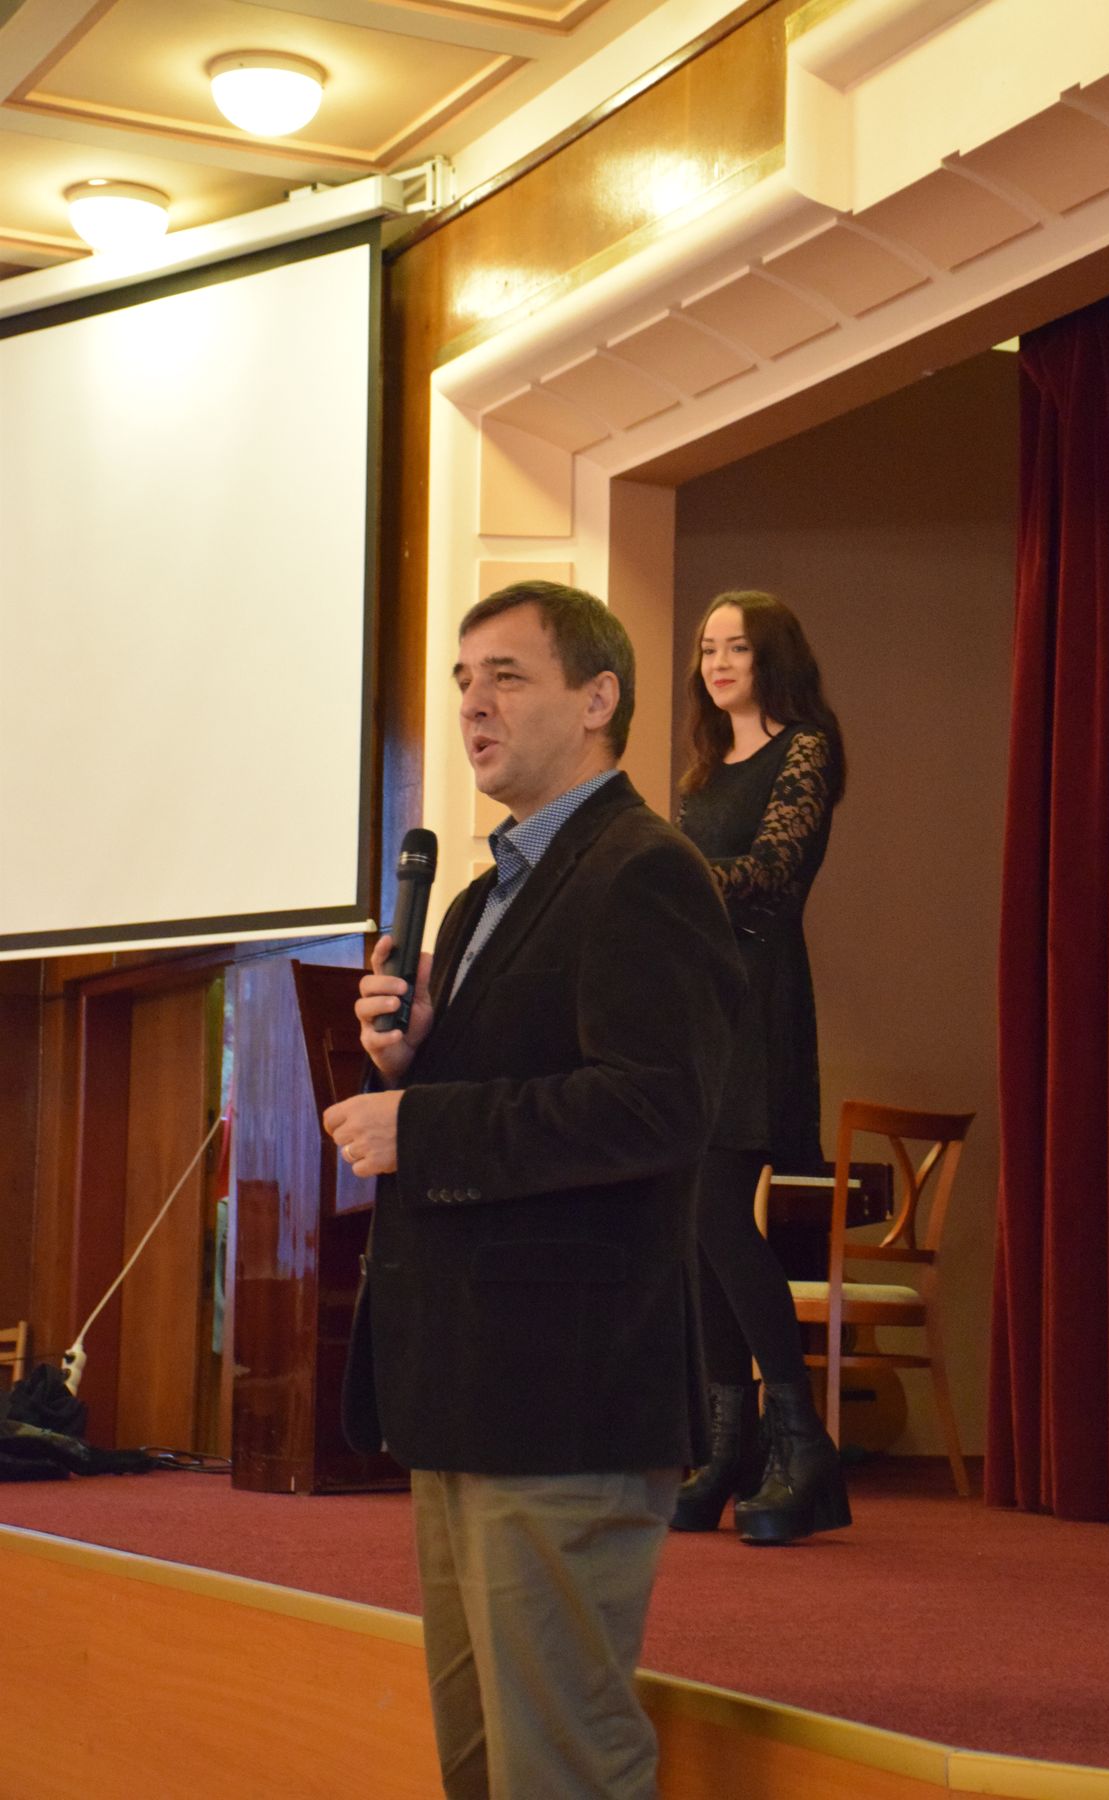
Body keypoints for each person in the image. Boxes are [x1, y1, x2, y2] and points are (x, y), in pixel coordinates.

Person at [323, 581, 744, 1800]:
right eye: (463, 680)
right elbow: (530, 1092)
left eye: (505, 676)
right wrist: (414, 1063)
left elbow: (658, 1107)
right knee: (482, 1764)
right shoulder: (475, 898)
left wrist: (423, 1123)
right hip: (467, 1385)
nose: (472, 705)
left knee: (559, 1766)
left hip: (565, 1393)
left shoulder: (644, 870)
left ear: (598, 698)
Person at [670, 590, 852, 1547]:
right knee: (693, 1223)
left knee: (712, 1209)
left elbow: (774, 869)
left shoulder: (805, 749)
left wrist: (664, 875)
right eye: (708, 648)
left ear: (771, 655)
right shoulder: (705, 770)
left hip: (758, 998)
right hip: (698, 1001)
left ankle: (799, 1439)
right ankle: (729, 1448)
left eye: (735, 647)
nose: (717, 662)